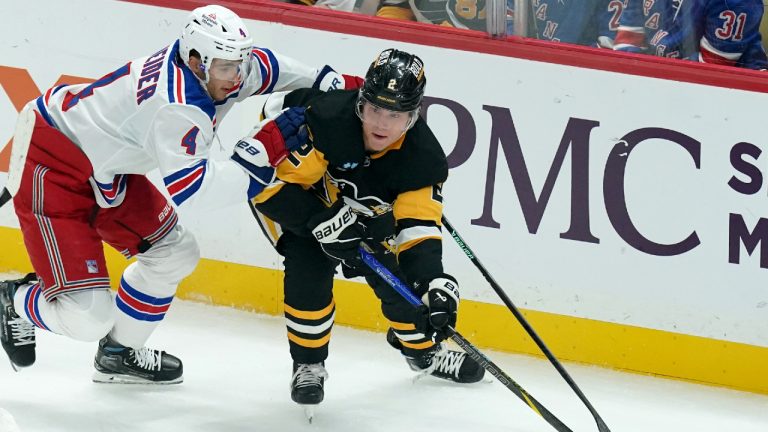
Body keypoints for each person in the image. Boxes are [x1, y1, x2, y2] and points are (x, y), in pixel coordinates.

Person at [0, 4, 359, 384]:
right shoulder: (176, 106)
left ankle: (118, 354)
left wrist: (331, 83)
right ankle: (15, 300)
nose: (236, 76)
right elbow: (195, 193)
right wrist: (261, 157)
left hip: (106, 166)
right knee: (88, 316)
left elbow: (269, 66)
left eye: (238, 63)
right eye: (225, 67)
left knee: (174, 253)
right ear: (195, 60)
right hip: (54, 163)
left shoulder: (216, 66)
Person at [250, 48, 485, 408]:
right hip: (303, 201)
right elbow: (264, 187)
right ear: (361, 103)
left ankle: (423, 352)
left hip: (363, 211)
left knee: (404, 283)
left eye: (395, 114)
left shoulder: (423, 158)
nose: (381, 124)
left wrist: (432, 281)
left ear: (413, 115)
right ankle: (308, 363)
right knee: (307, 268)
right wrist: (318, 222)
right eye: (374, 109)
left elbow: (418, 228)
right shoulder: (326, 121)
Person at [613, 0, 768, 69]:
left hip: (732, 95)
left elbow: (710, 72)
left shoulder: (735, 2)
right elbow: (628, 41)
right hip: (655, 78)